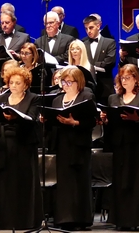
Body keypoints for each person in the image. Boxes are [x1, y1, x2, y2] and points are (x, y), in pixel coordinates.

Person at [101, 65, 139, 231]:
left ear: (135, 78)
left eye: (128, 78)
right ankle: (122, 220)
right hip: (121, 144)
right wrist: (106, 120)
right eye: (122, 78)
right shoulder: (114, 98)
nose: (124, 81)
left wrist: (138, 119)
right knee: (121, 181)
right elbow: (112, 124)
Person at [0, 67, 43, 229]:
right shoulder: (1, 99)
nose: (13, 85)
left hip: (24, 145)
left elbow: (33, 119)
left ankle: (25, 221)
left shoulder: (33, 98)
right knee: (6, 183)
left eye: (17, 83)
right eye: (11, 82)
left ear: (26, 85)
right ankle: (5, 221)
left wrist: (15, 118)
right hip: (4, 145)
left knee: (23, 183)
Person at [48, 67, 97, 230]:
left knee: (79, 181)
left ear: (79, 82)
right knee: (65, 182)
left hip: (79, 144)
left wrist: (74, 123)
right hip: (63, 144)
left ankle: (80, 219)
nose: (66, 85)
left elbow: (91, 121)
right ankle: (64, 218)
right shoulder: (57, 99)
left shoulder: (86, 96)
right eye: (63, 81)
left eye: (69, 82)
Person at [82, 14, 117, 101]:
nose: (88, 31)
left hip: (105, 87)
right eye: (86, 28)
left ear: (98, 26)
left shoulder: (109, 42)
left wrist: (90, 65)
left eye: (91, 28)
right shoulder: (83, 43)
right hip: (88, 87)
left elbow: (109, 62)